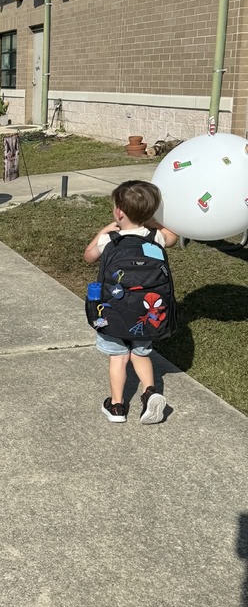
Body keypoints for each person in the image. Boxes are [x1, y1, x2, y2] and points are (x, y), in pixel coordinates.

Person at [83, 180, 178, 424]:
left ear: (118, 212)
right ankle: (149, 392)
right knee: (141, 353)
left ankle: (116, 407)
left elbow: (89, 256)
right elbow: (173, 237)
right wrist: (150, 221)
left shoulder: (110, 239)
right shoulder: (155, 236)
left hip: (113, 311)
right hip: (148, 311)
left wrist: (104, 231)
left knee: (118, 357)